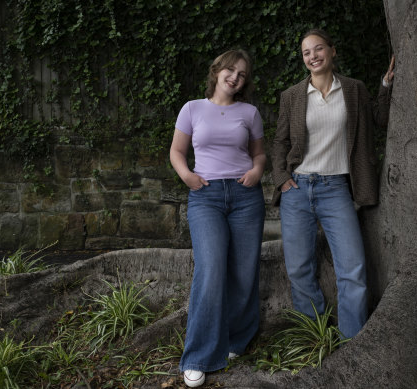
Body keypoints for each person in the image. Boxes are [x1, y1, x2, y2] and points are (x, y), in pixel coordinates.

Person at [271, 29, 395, 339]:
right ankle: (316, 337)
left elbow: (380, 120)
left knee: (352, 271)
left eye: (318, 49)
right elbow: (279, 143)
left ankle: (352, 343)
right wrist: (282, 179)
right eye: (306, 53)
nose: (312, 56)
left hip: (337, 189)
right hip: (297, 190)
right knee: (299, 269)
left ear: (332, 51)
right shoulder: (292, 96)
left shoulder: (354, 90)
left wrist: (386, 85)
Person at [170, 49, 266, 387]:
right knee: (210, 269)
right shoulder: (193, 108)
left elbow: (259, 154)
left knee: (243, 270)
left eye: (242, 74)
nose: (235, 77)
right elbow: (177, 151)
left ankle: (236, 339)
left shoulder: (250, 112)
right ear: (217, 70)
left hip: (245, 197)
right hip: (206, 196)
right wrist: (187, 177)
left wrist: (256, 171)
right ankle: (198, 356)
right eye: (230, 70)